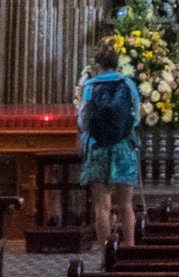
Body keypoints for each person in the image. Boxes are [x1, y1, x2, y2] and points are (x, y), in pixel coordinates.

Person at [78, 43, 140, 253]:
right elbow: (136, 117)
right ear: (117, 63)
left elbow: (83, 120)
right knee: (126, 205)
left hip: (98, 149)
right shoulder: (128, 84)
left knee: (102, 207)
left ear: (98, 64)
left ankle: (107, 255)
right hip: (123, 148)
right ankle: (129, 249)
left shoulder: (90, 86)